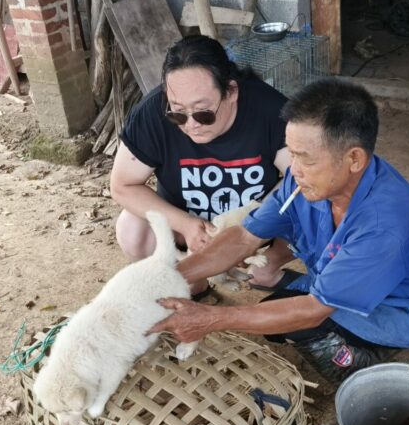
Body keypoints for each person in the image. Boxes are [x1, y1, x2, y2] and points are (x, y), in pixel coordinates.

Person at [151, 78, 409, 425]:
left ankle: (367, 379)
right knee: (276, 317)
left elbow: (314, 309)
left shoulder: (383, 224)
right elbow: (244, 237)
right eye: (291, 153)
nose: (294, 169)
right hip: (353, 282)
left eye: (306, 159)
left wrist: (211, 319)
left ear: (354, 159)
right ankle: (352, 332)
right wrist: (166, 279)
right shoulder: (305, 182)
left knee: (299, 322)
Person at [109, 34, 296, 295]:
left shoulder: (270, 109)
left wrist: (250, 231)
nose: (191, 124)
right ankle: (193, 285)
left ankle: (267, 271)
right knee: (131, 228)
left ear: (231, 92)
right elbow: (122, 185)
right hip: (187, 230)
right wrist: (185, 224)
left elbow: (302, 179)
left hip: (257, 227)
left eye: (203, 112)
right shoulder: (153, 112)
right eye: (177, 113)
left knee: (317, 204)